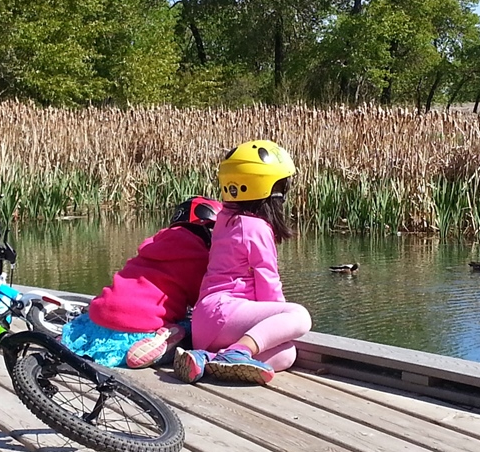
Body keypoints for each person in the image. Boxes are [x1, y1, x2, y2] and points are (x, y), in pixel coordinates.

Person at [173, 140, 312, 385]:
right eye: (281, 186)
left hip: (206, 324)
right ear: (264, 186)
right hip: (225, 314)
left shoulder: (225, 219)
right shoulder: (255, 227)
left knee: (286, 354)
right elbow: (268, 282)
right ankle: (238, 352)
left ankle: (208, 358)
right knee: (299, 316)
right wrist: (278, 320)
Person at [62, 196, 222, 368]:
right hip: (142, 324)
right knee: (193, 329)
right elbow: (201, 299)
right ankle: (164, 339)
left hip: (100, 315)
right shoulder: (199, 256)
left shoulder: (153, 245)